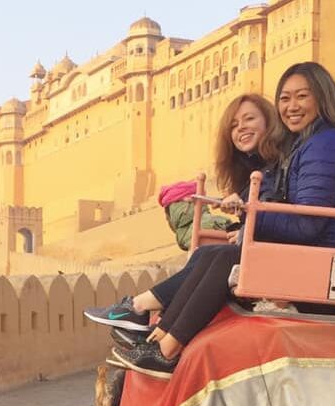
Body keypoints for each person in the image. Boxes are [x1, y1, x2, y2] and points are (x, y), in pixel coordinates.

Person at [111, 62, 335, 379]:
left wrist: (248, 215)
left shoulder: (324, 144)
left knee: (226, 257)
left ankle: (162, 341)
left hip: (328, 261)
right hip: (320, 253)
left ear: (322, 98)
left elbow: (307, 225)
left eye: (302, 97)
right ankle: (161, 336)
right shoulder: (312, 144)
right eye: (285, 98)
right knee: (214, 254)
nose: (292, 106)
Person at [83, 93, 284, 333]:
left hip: (278, 254)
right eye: (234, 125)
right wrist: (243, 220)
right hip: (261, 246)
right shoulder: (252, 168)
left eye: (249, 119)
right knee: (205, 254)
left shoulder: (275, 166)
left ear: (268, 122)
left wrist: (247, 211)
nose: (241, 128)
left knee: (217, 257)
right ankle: (156, 325)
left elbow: (278, 209)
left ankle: (145, 315)